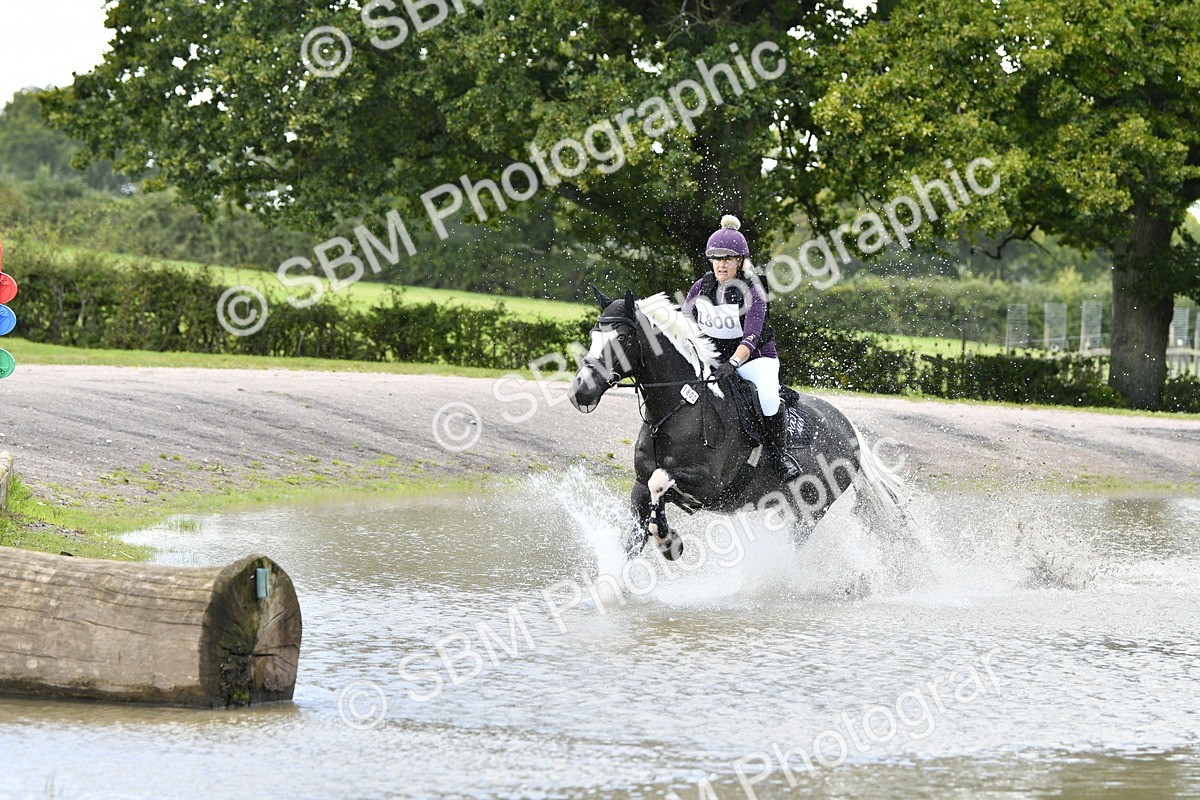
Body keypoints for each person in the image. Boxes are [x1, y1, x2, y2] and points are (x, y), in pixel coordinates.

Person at [683, 214, 802, 482]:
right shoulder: (701, 287)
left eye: (727, 259)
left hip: (754, 358)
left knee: (769, 399)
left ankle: (778, 455)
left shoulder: (753, 290)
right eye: (716, 259)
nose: (721, 265)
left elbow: (750, 337)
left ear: (739, 262)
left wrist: (733, 364)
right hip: (715, 358)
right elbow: (686, 326)